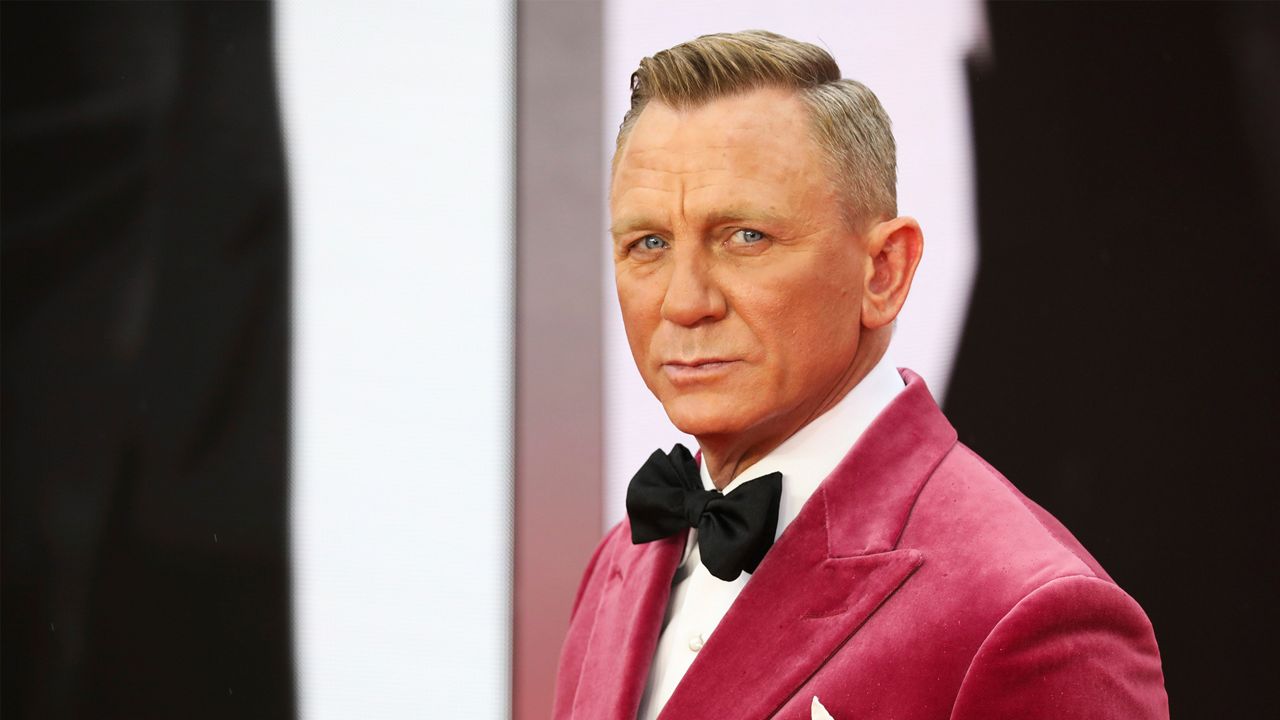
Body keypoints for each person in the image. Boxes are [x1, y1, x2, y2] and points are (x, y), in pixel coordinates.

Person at [553, 30, 1168, 720]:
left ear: (885, 271)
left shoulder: (1031, 614)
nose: (685, 301)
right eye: (649, 244)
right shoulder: (619, 564)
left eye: (746, 237)